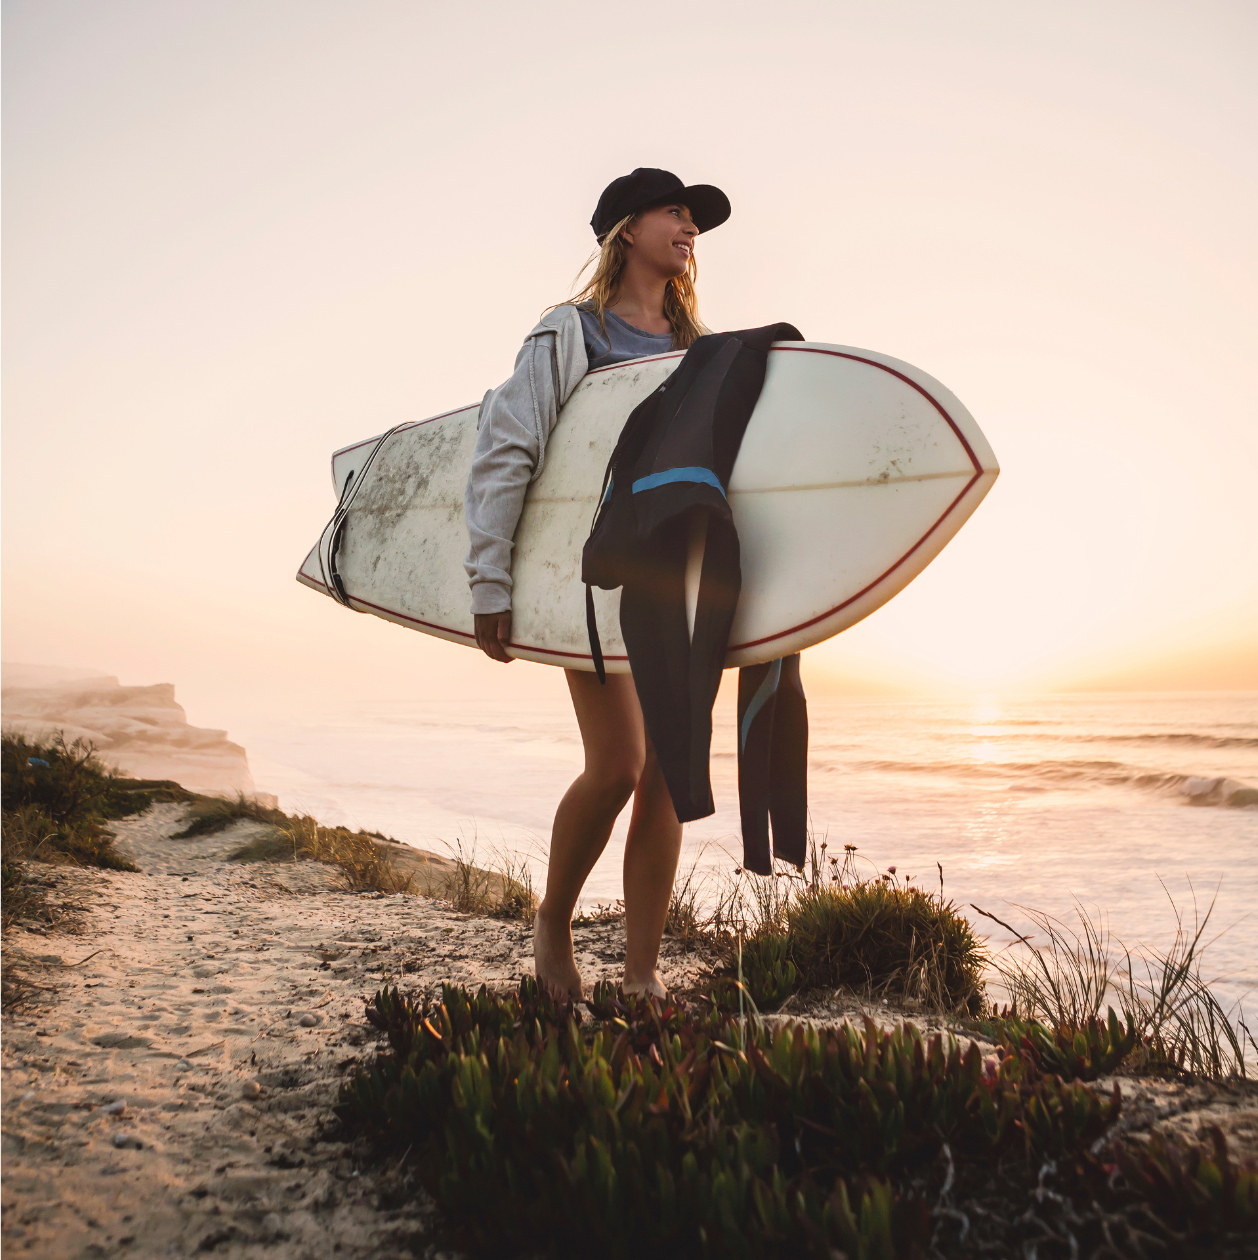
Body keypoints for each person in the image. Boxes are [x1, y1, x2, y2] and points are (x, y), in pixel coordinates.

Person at [463, 168, 732, 1000]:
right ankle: (553, 921)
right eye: (674, 212)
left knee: (668, 776)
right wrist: (490, 581)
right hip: (592, 578)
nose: (690, 228)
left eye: (694, 220)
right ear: (627, 229)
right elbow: (508, 451)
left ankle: (642, 976)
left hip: (677, 581)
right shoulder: (571, 333)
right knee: (617, 765)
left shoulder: (701, 349)